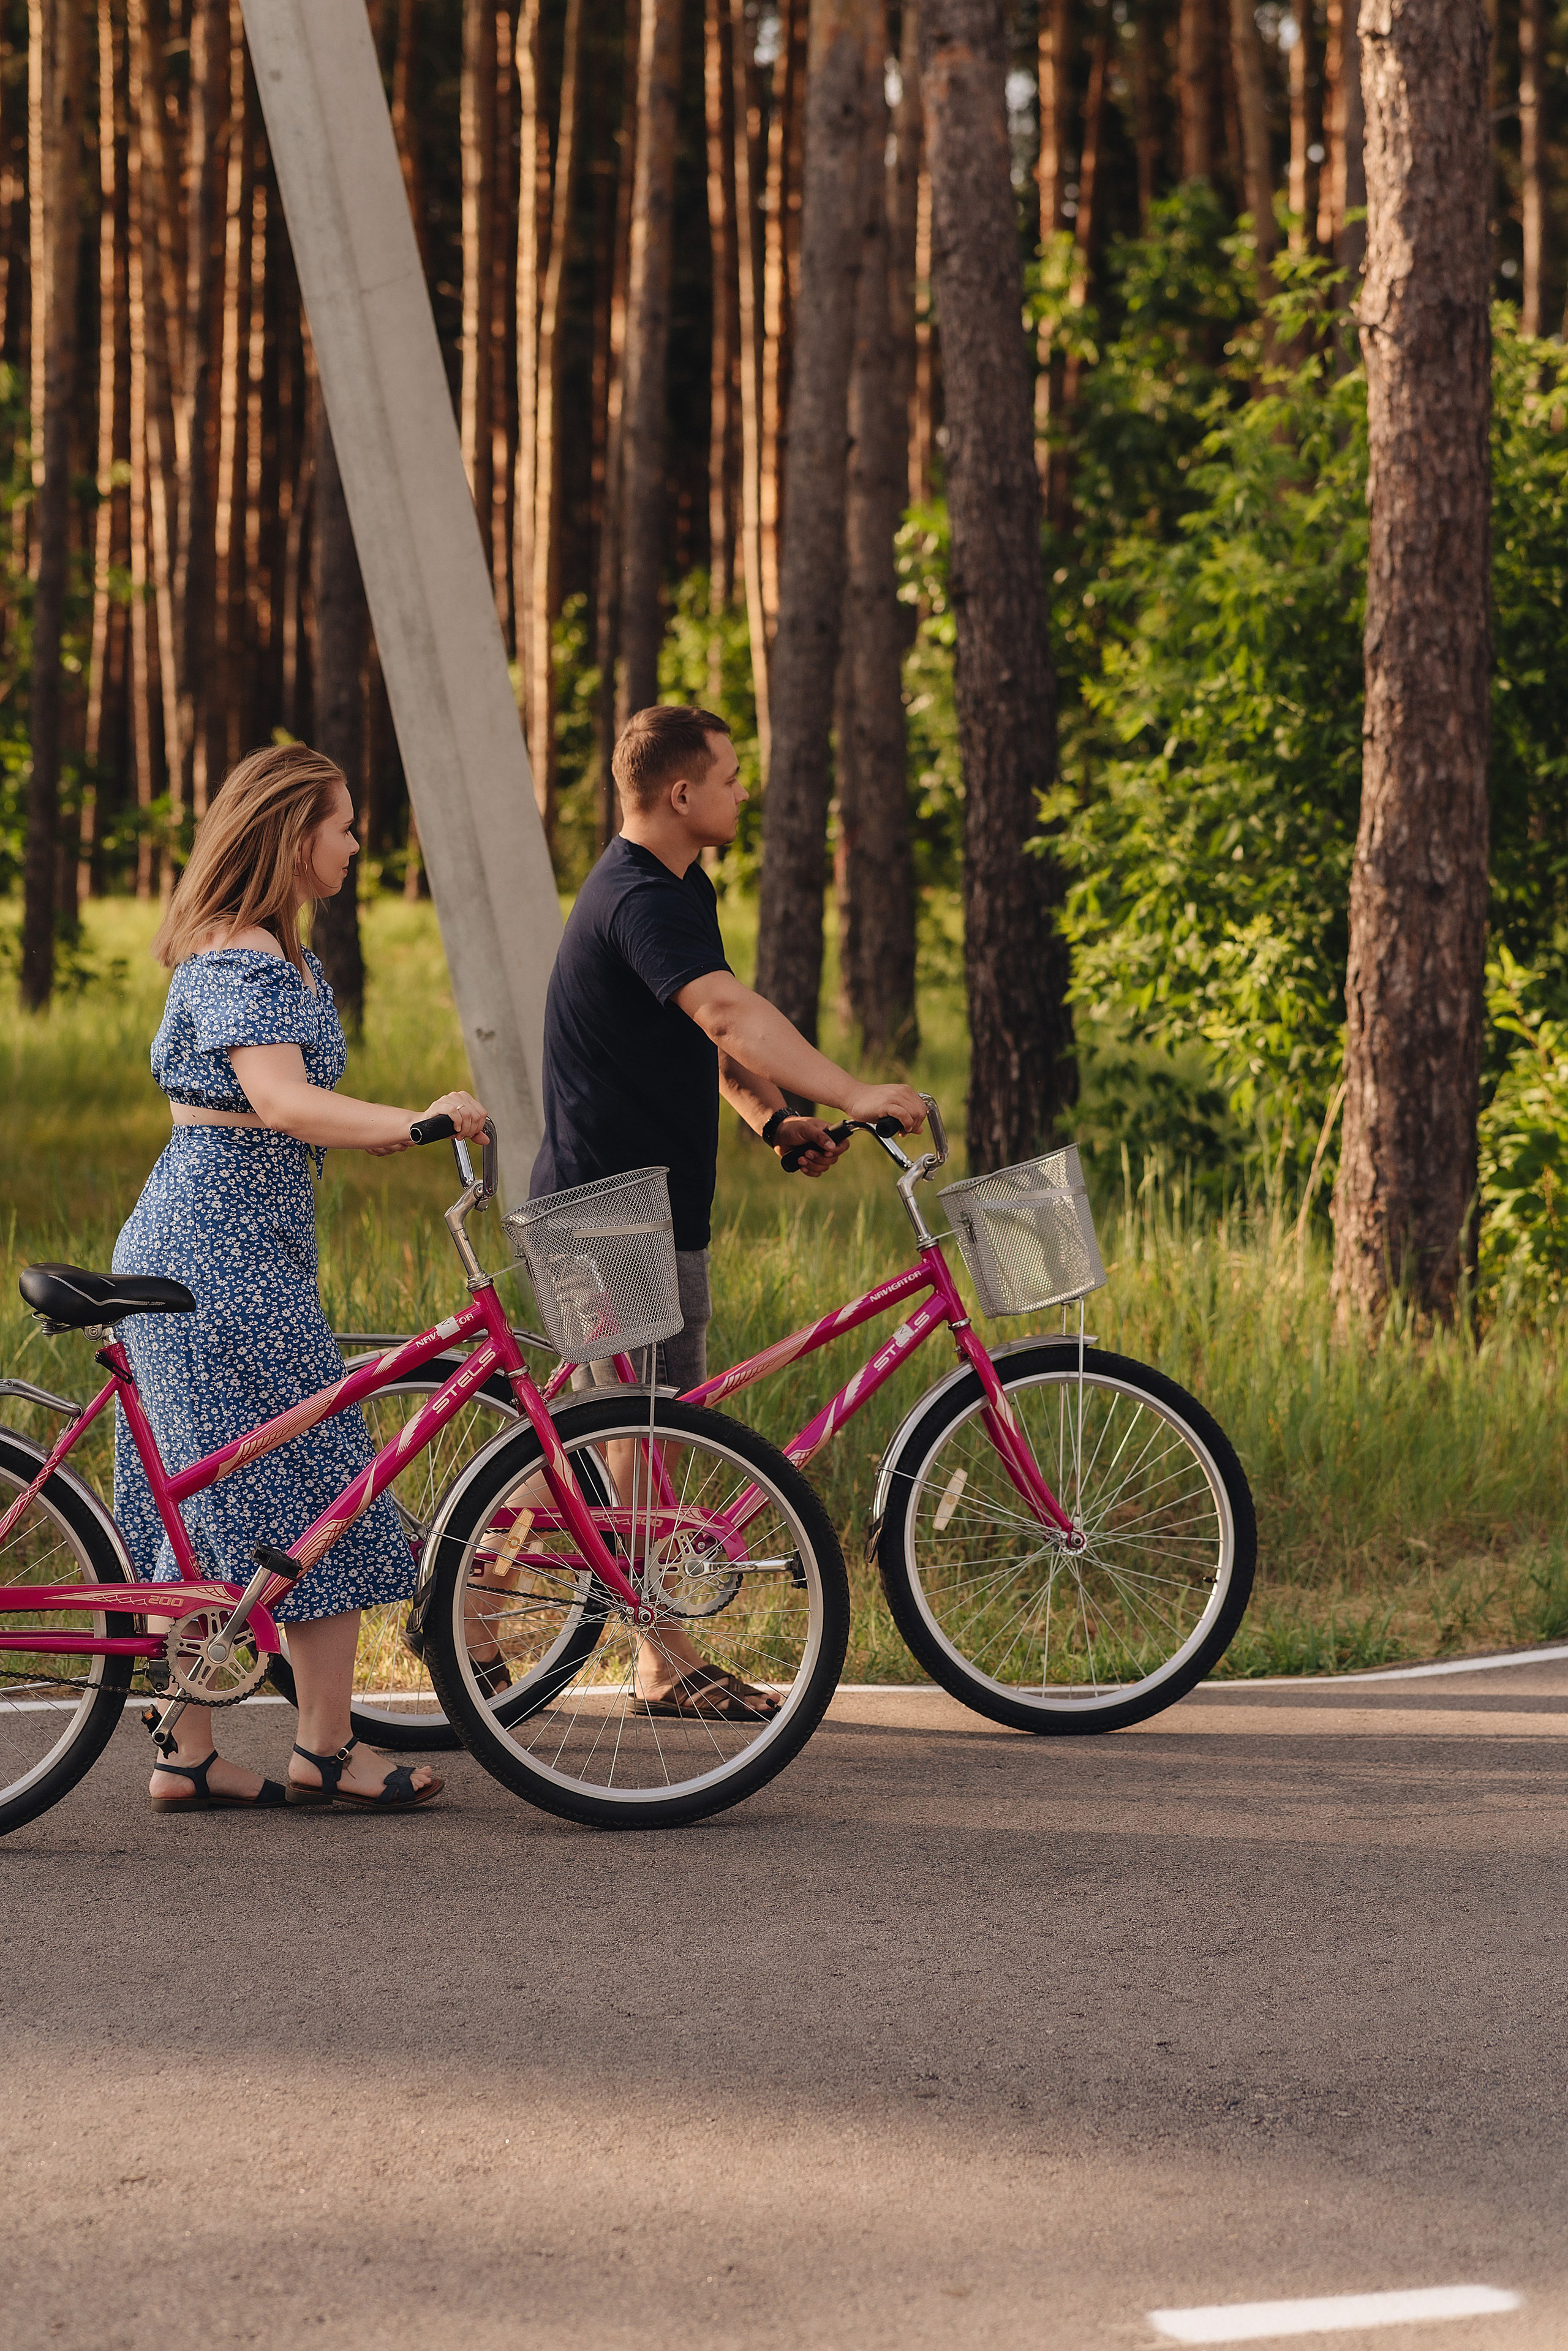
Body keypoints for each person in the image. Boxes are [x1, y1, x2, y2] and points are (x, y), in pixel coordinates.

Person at [521, 702, 926, 1719]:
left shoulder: (678, 887)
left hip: (646, 1208)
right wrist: (855, 1090)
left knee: (632, 1432)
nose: (746, 792)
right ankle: (654, 1659)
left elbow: (702, 1037)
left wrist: (771, 1118)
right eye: (732, 776)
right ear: (681, 792)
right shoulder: (638, 896)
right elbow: (729, 1012)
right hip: (603, 1211)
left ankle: (475, 1612)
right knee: (632, 1438)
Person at [111, 742, 489, 1814]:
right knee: (328, 1484)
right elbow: (280, 1101)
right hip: (217, 1254)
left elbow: (283, 1109)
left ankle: (187, 1752)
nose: (357, 843)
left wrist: (386, 1128)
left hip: (221, 1244)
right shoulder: (243, 958)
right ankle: (327, 1748)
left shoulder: (268, 953)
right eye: (344, 825)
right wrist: (416, 1121)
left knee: (200, 1495)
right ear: (291, 836)